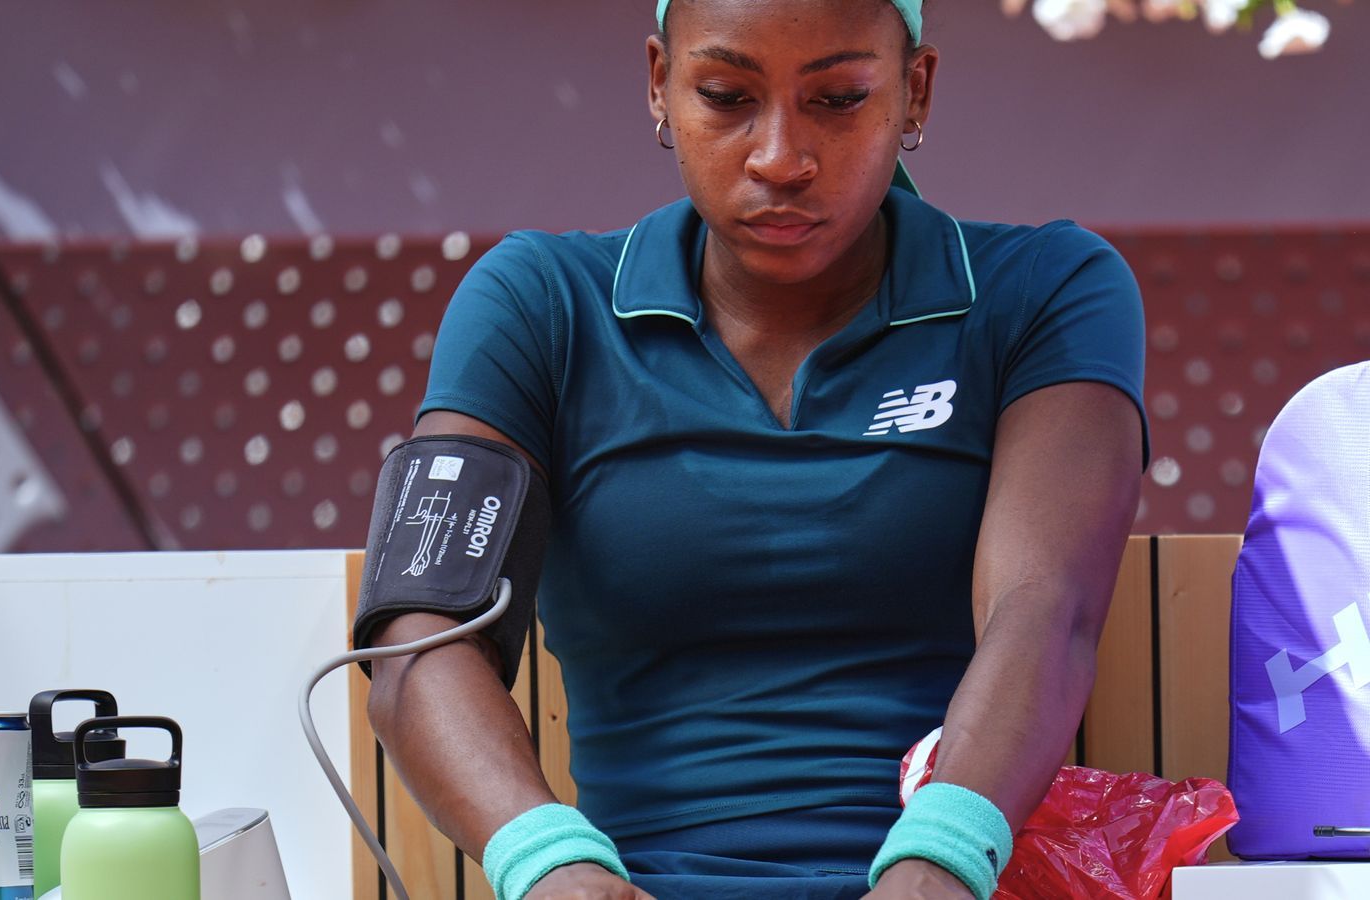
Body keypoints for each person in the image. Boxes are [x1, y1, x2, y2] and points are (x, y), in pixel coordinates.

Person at [360, 1, 1147, 897]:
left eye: (839, 99)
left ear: (915, 90)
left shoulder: (1042, 293)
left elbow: (1045, 611)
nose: (780, 158)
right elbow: (420, 633)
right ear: (660, 84)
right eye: (727, 96)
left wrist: (941, 859)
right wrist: (549, 864)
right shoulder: (542, 306)